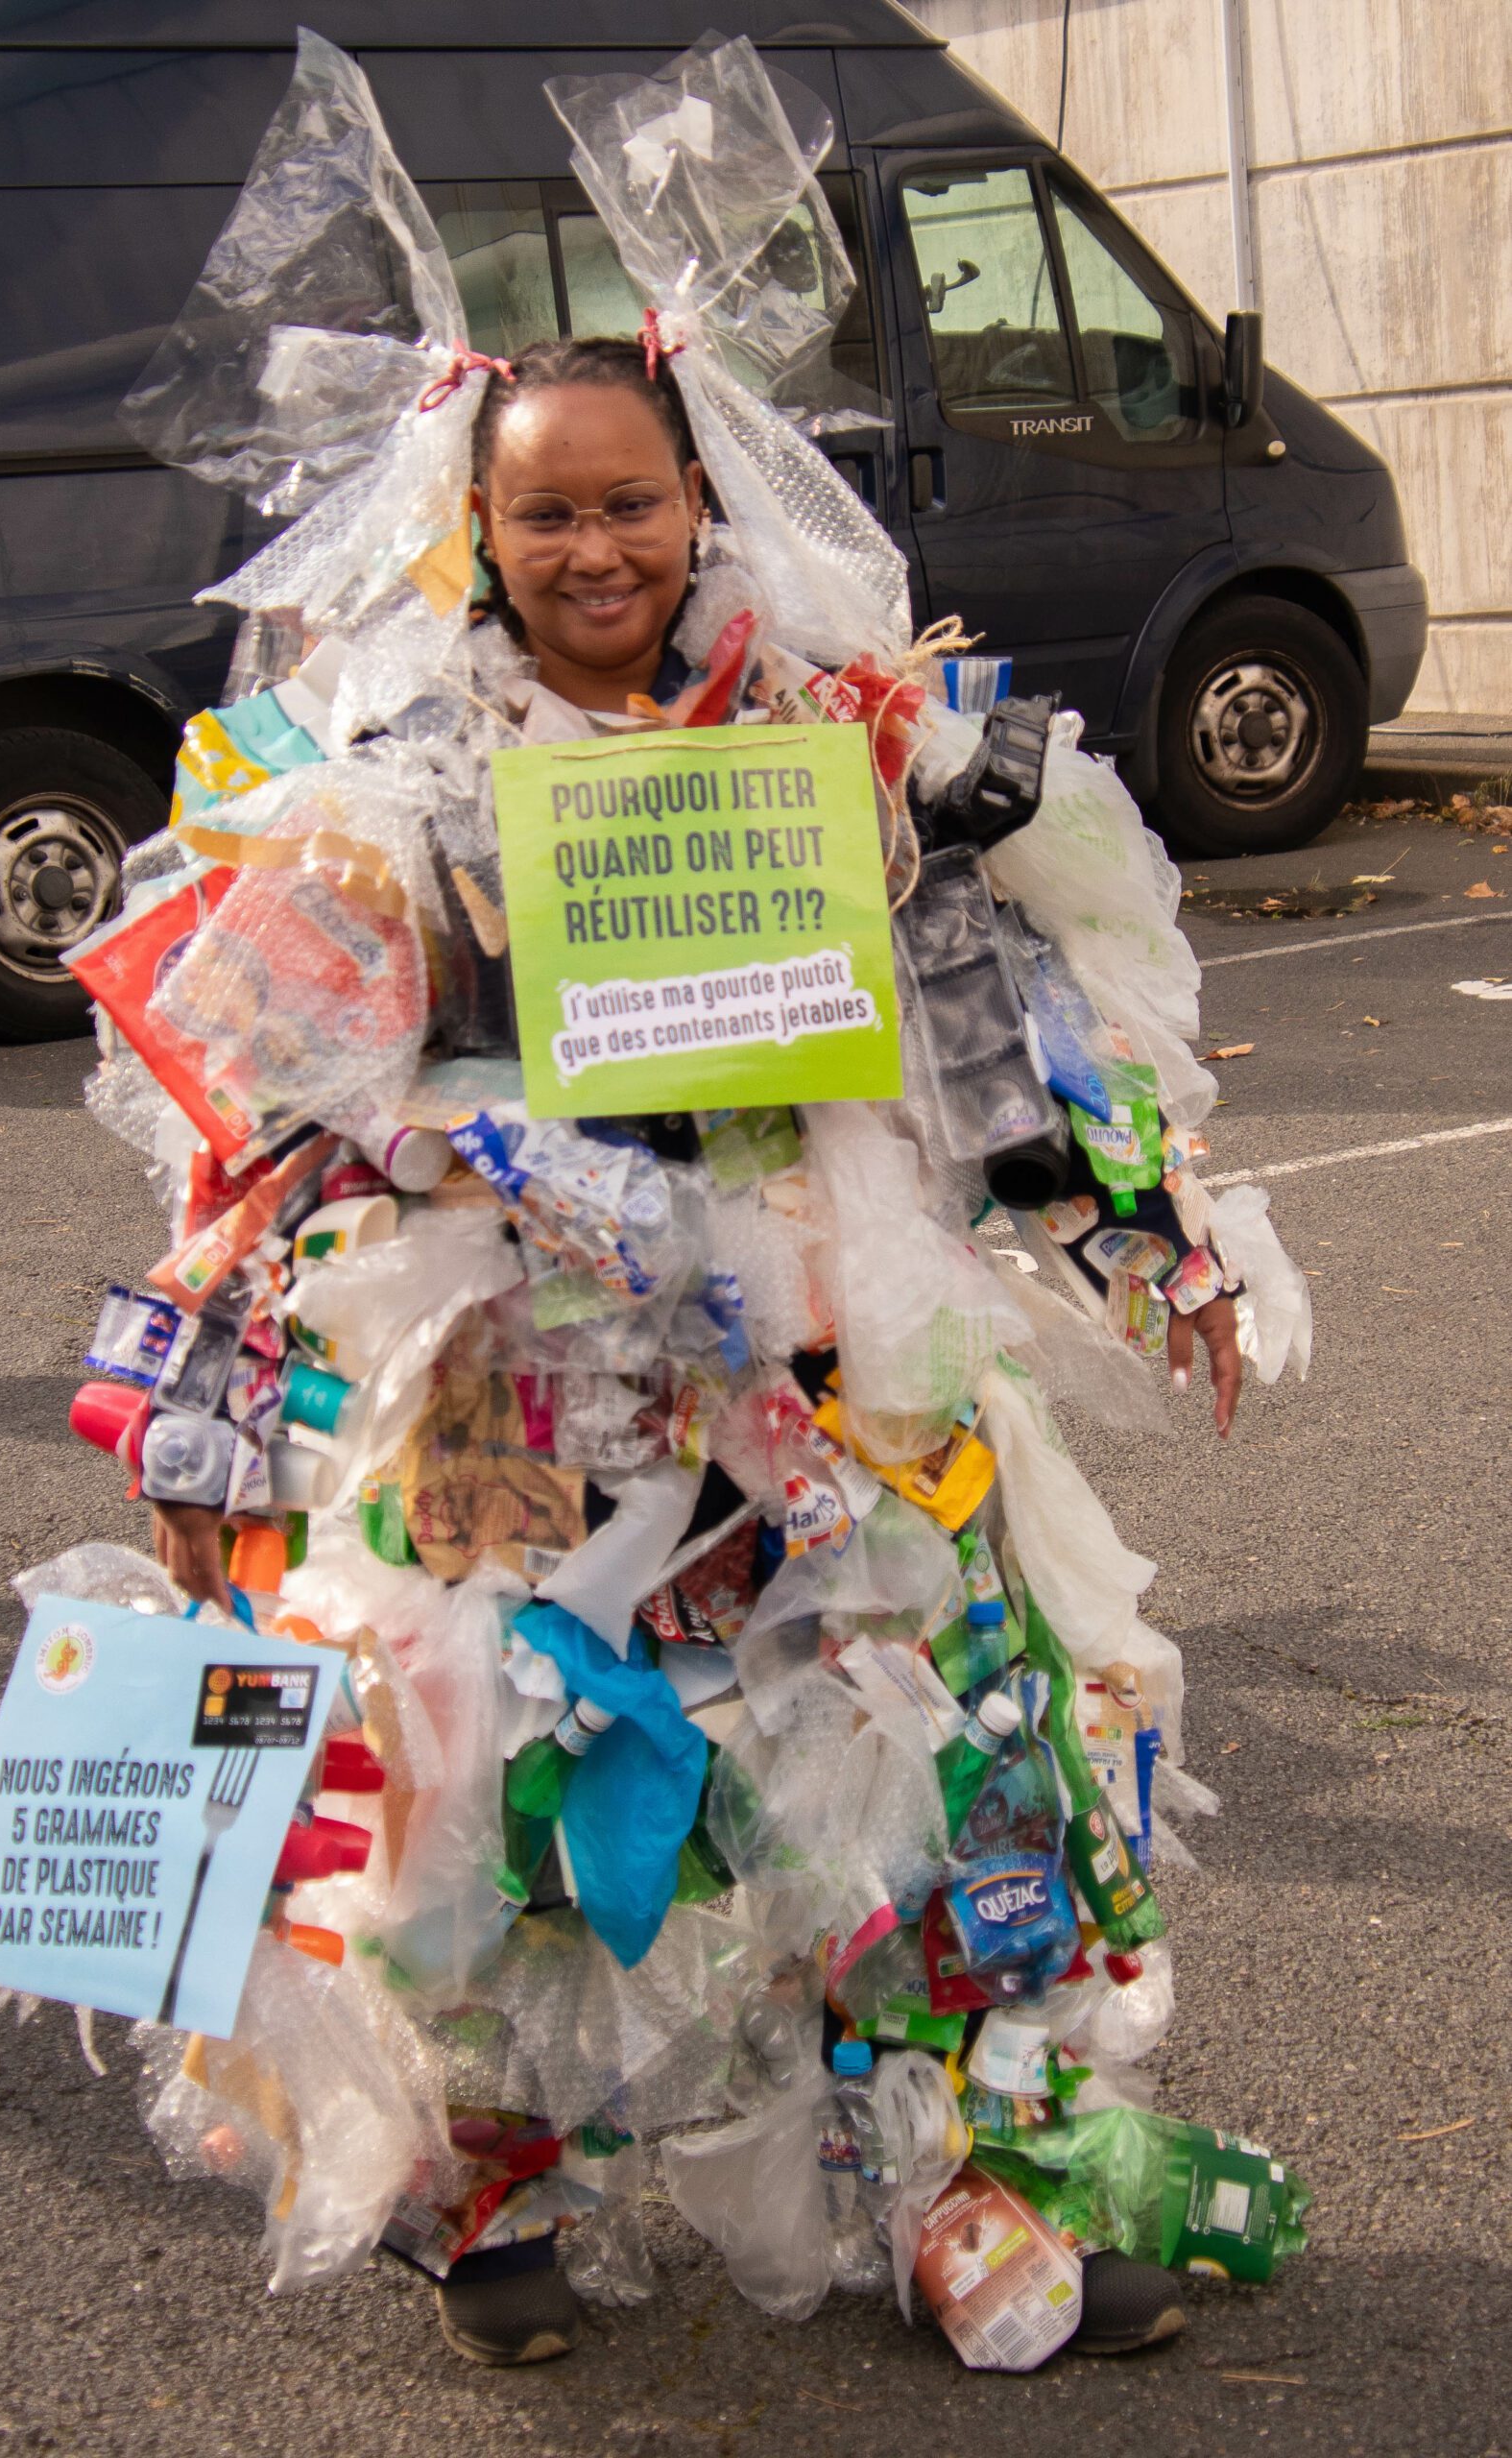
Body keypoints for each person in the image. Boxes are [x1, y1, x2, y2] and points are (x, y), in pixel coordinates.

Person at [150, 334, 1244, 2366]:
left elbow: (992, 1013)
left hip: (826, 1323)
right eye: (546, 507)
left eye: (629, 499)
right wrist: (211, 1397)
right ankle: (477, 2188)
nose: (594, 546)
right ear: (473, 525)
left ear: (697, 499)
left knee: (947, 1734)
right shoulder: (389, 759)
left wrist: (1143, 1221)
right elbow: (264, 1097)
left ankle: (973, 2184)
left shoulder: (822, 724)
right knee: (480, 1770)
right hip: (512, 1354)